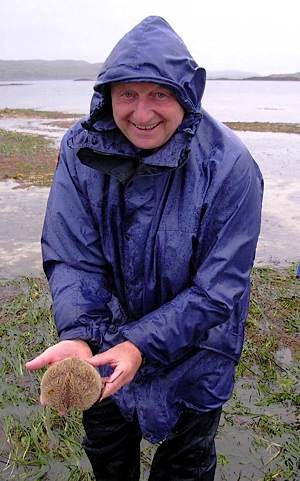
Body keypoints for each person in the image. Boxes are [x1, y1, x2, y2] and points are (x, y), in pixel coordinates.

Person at [26, 15, 263, 481]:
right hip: (103, 345)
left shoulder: (230, 166)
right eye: (127, 94)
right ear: (107, 94)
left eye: (159, 93)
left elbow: (219, 289)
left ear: (186, 94)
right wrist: (78, 332)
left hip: (198, 350)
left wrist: (141, 343)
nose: (141, 112)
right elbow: (74, 256)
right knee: (109, 456)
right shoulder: (81, 149)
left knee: (186, 463)